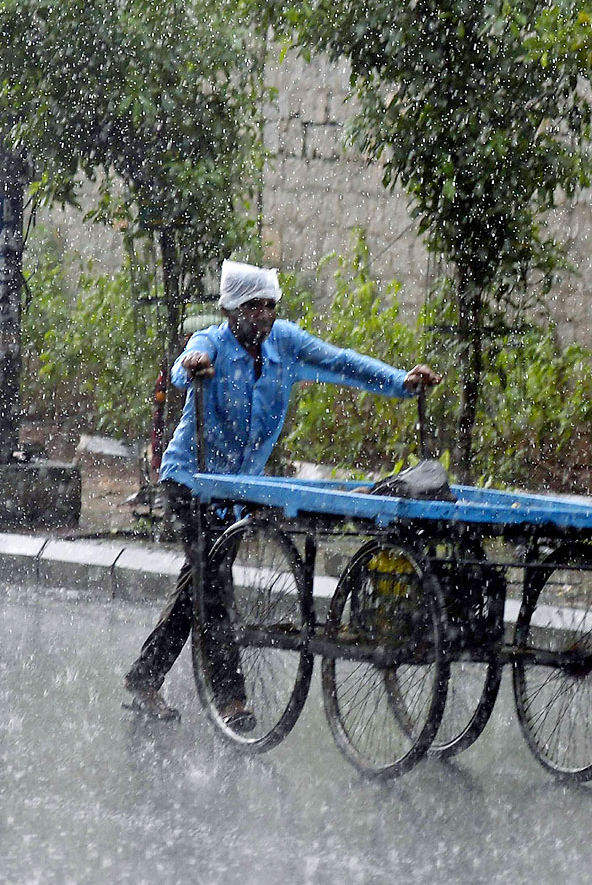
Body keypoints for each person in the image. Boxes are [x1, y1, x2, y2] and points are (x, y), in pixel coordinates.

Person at [123, 259, 442, 724]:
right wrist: (191, 366)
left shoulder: (285, 344)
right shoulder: (211, 342)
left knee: (201, 585)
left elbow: (340, 362)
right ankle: (232, 700)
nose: (265, 317)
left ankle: (145, 678)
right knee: (214, 588)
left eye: (271, 307)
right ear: (232, 310)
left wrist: (400, 381)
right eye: (255, 308)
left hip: (236, 490)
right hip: (190, 482)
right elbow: (182, 366)